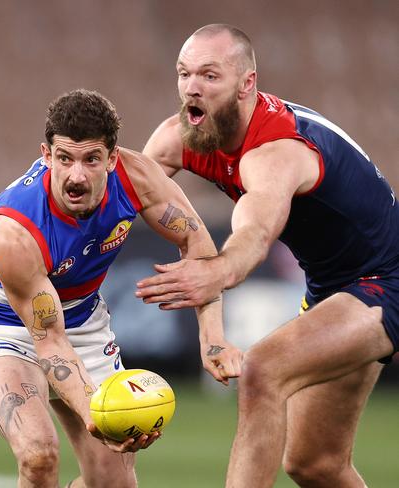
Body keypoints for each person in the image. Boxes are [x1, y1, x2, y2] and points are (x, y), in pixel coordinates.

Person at [137, 23, 399, 487]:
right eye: (184, 73)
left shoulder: (276, 152)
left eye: (210, 76)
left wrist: (215, 273)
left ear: (247, 84)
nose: (192, 87)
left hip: (388, 279)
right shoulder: (180, 137)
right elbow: (114, 198)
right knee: (315, 464)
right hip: (334, 289)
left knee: (262, 369)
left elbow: (253, 237)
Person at [0, 89, 241, 487]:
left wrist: (212, 337)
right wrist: (98, 416)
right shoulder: (13, 232)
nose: (77, 175)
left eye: (91, 160)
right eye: (65, 158)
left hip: (82, 321)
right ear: (46, 155)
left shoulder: (136, 177)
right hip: (3, 328)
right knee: (39, 455)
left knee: (113, 484)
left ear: (113, 158)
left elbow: (197, 245)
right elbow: (49, 341)